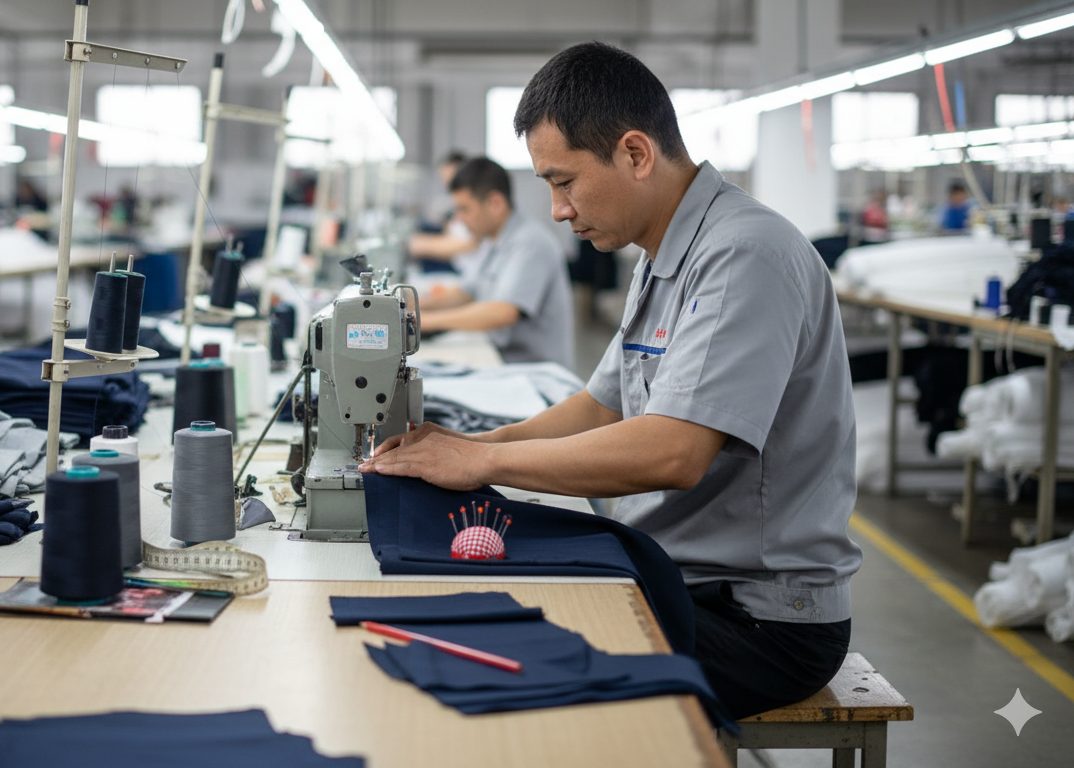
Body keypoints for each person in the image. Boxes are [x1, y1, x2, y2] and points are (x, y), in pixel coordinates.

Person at [362, 41, 860, 721]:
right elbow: (601, 406)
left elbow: (673, 454)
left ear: (634, 153)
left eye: (564, 181)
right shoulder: (663, 256)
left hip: (757, 622)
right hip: (680, 573)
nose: (559, 209)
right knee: (468, 611)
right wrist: (474, 444)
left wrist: (486, 458)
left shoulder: (745, 253)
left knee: (497, 667)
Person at [417, 157, 574, 369]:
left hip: (535, 376)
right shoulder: (492, 239)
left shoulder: (531, 242)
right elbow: (468, 291)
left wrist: (425, 322)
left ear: (495, 203)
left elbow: (502, 312)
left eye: (464, 209)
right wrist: (416, 305)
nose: (459, 219)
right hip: (506, 363)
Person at [409, 150, 479, 272]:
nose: (448, 185)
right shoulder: (454, 204)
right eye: (444, 179)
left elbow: (473, 243)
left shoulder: (475, 203)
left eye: (451, 179)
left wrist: (423, 245)